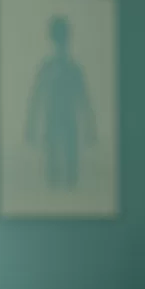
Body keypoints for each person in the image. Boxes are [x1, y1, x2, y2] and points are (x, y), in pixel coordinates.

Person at [25, 15, 96, 188]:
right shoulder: (61, 68)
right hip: (56, 119)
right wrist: (30, 126)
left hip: (64, 119)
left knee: (67, 170)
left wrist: (90, 127)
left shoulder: (64, 68)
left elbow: (84, 100)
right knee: (55, 170)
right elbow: (36, 98)